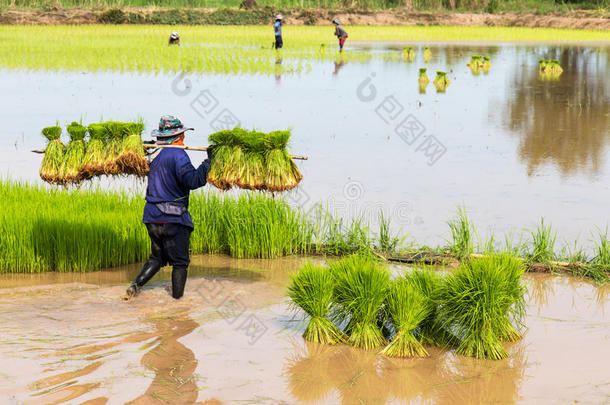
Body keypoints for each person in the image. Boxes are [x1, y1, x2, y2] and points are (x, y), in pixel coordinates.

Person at [125, 116, 212, 300]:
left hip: (151, 218)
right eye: (181, 135)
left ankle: (134, 287)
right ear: (176, 137)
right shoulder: (177, 154)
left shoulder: (152, 154)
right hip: (172, 219)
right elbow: (193, 180)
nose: (183, 139)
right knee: (180, 263)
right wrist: (207, 164)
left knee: (157, 258)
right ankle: (177, 302)